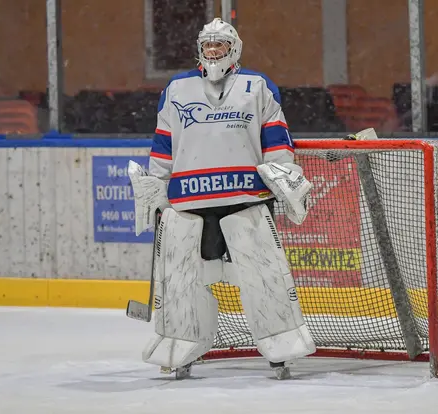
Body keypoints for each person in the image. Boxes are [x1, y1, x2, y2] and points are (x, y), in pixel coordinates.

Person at [128, 18, 316, 380]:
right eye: (208, 45)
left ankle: (281, 343)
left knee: (263, 273)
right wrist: (157, 184)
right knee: (181, 278)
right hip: (187, 201)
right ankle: (180, 343)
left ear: (235, 49)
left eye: (221, 45)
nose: (214, 51)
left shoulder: (256, 86)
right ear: (200, 49)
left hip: (246, 196)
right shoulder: (177, 88)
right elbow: (164, 143)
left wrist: (283, 174)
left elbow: (275, 138)